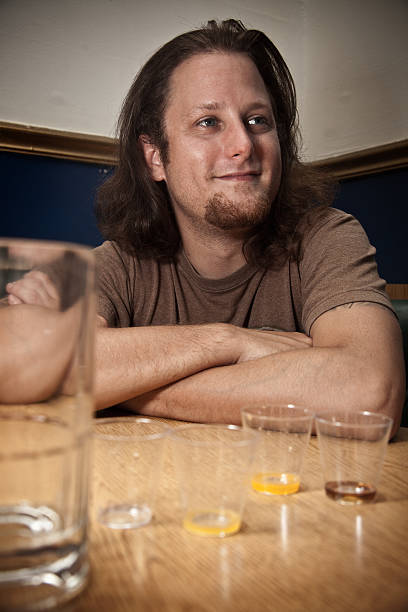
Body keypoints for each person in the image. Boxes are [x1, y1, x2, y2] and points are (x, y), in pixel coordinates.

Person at [6, 19, 405, 435]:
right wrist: (226, 342)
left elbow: (370, 392)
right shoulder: (121, 264)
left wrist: (119, 384)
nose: (244, 145)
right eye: (208, 122)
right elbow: (16, 360)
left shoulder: (327, 237)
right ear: (155, 157)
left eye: (257, 121)